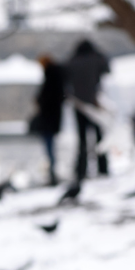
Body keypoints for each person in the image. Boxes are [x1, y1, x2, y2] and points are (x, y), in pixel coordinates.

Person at [67, 39, 110, 181]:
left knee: (82, 140)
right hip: (94, 103)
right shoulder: (96, 58)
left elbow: (65, 76)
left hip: (79, 104)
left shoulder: (73, 60)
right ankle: (103, 169)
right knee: (99, 137)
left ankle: (81, 171)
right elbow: (107, 67)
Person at [32, 54, 66, 186]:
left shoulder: (50, 77)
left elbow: (47, 98)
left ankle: (52, 173)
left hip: (48, 119)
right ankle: (52, 172)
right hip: (53, 118)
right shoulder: (56, 76)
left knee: (49, 146)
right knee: (51, 146)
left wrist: (39, 101)